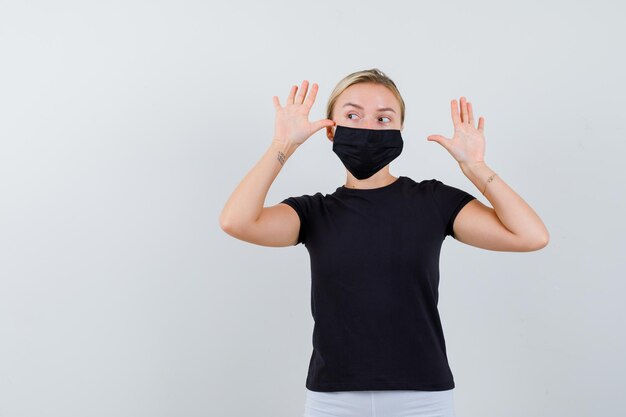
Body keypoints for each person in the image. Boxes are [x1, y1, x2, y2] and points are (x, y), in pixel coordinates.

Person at [219, 68, 549, 417]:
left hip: (423, 397)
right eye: (352, 115)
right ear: (330, 129)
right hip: (333, 399)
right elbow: (236, 221)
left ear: (399, 131)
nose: (367, 127)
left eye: (383, 118)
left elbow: (530, 236)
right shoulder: (314, 213)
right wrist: (282, 145)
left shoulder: (433, 201)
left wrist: (476, 167)